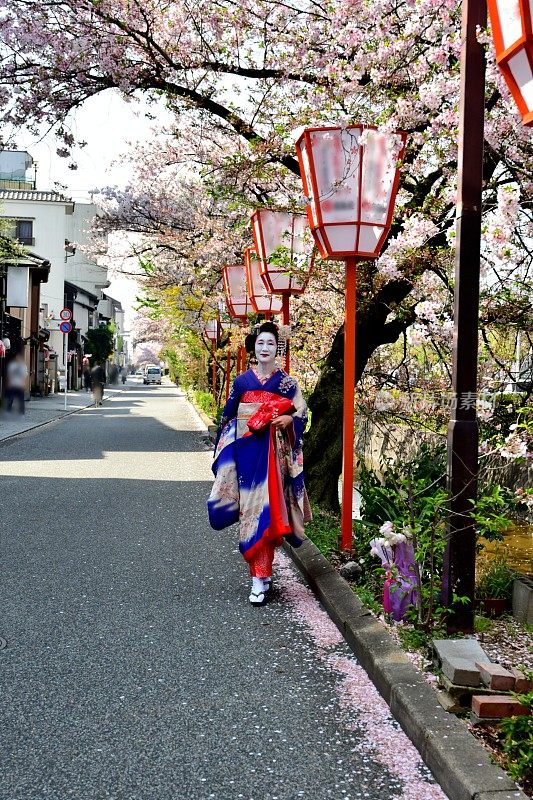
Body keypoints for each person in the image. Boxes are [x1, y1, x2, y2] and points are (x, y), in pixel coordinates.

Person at [208, 321, 312, 606]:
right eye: (260, 343)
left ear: (278, 348)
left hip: (275, 459)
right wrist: (225, 452)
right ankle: (259, 576)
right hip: (247, 455)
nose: (265, 348)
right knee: (250, 513)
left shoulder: (287, 383)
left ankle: (260, 576)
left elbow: (303, 415)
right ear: (252, 347)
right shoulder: (242, 382)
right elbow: (227, 417)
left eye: (270, 343)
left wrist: (289, 419)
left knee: (270, 513)